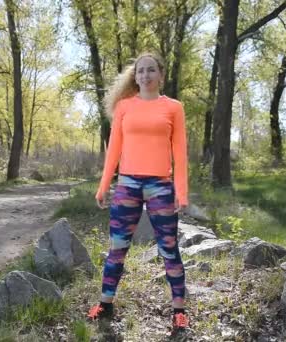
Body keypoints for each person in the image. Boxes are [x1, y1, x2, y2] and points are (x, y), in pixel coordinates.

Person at [86, 51, 189, 331]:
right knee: (117, 249)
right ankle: (105, 304)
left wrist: (182, 191)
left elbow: (180, 153)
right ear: (135, 76)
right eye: (140, 71)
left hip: (161, 187)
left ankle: (179, 310)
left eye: (151, 70)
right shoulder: (123, 107)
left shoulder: (174, 108)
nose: (145, 75)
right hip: (127, 185)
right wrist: (104, 185)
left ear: (160, 75)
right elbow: (114, 150)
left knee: (169, 249)